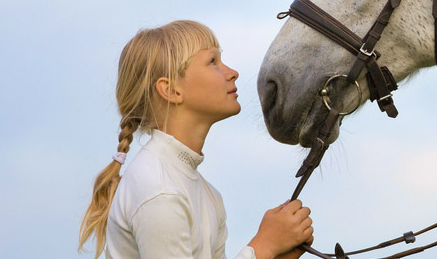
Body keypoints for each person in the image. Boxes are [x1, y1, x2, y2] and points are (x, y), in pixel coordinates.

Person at [78, 20, 313, 259]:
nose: (232, 73)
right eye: (212, 62)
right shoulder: (160, 191)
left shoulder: (206, 193)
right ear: (170, 90)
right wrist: (263, 248)